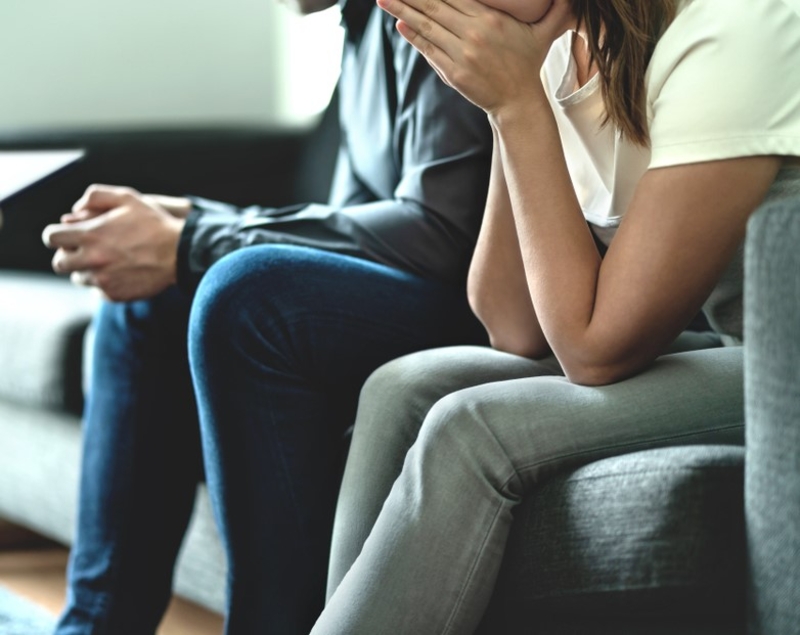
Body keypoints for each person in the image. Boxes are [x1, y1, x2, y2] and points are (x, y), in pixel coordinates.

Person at [311, 0, 800, 632]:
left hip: (787, 371)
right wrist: (503, 103)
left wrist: (518, 107)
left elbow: (595, 349)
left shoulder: (736, 26)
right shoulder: (565, 44)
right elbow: (513, 324)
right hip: (738, 346)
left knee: (473, 429)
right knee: (401, 387)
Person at [40, 0, 493, 631]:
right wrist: (188, 226)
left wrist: (197, 238)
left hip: (496, 309)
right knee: (150, 291)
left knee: (241, 290)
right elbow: (356, 217)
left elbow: (440, 231)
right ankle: (96, 623)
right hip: (424, 288)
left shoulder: (431, 11)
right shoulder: (360, 25)